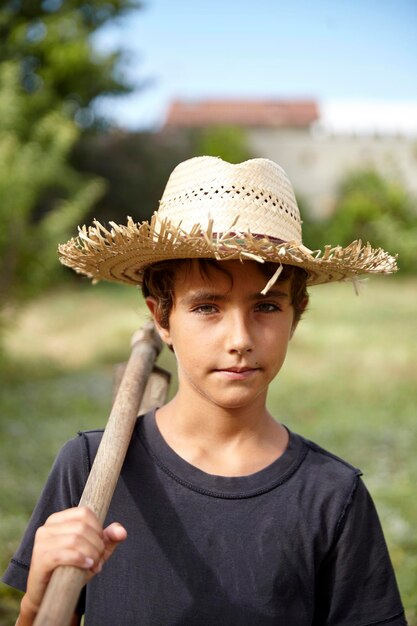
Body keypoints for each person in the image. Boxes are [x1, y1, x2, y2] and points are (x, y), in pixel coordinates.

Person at [2, 156, 407, 625]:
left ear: (297, 314)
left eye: (267, 307)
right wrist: (35, 603)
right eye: (208, 307)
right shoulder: (91, 468)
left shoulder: (332, 498)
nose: (239, 339)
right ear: (161, 318)